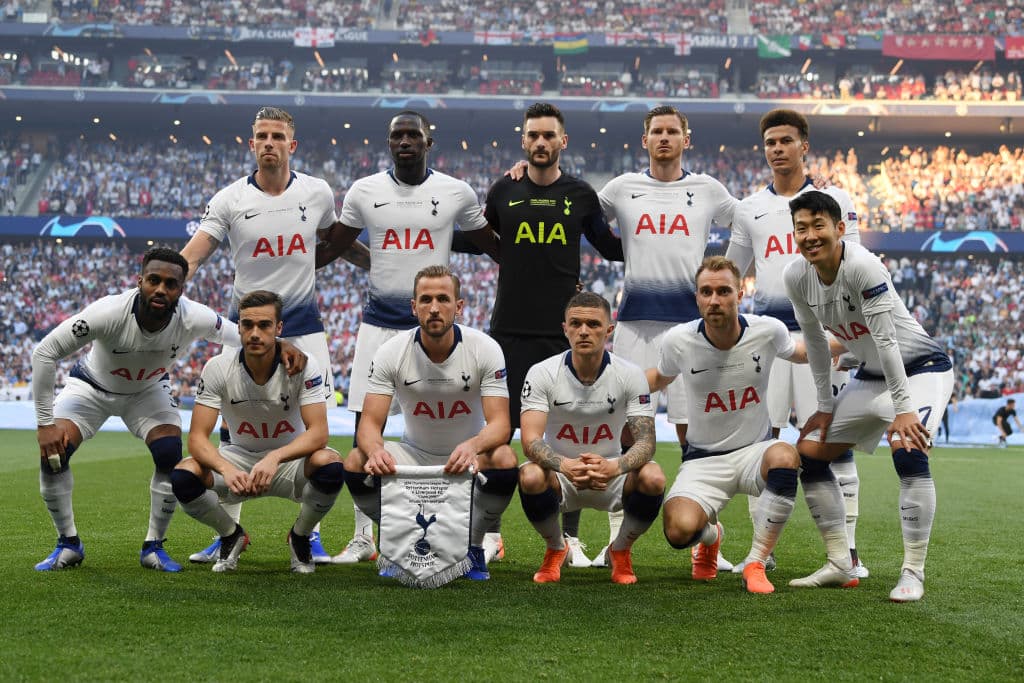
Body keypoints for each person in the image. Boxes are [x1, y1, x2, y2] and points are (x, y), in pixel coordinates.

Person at [180, 105, 365, 565]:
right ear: (251, 143)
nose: (268, 143)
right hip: (250, 327)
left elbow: (336, 244)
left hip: (303, 328)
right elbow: (195, 254)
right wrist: (160, 283)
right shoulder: (229, 200)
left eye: (277, 136)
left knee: (308, 432)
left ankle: (310, 533)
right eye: (261, 135)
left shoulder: (317, 192)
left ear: (291, 145)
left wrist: (386, 266)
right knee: (234, 425)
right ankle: (228, 529)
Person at [317, 110, 498, 564]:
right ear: (388, 142)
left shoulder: (455, 192)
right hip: (379, 326)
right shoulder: (364, 191)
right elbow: (337, 245)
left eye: (412, 135)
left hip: (435, 330)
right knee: (365, 432)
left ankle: (484, 533)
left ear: (427, 142)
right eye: (396, 135)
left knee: (474, 429)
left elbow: (494, 245)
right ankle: (365, 536)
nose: (404, 141)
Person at [31, 247, 265, 571]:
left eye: (170, 284)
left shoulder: (193, 316)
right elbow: (45, 352)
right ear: (139, 280)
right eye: (154, 280)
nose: (160, 289)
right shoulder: (108, 312)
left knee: (170, 452)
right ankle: (68, 544)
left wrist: (278, 355)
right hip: (91, 387)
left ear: (181, 290)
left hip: (148, 389)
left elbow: (241, 337)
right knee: (53, 456)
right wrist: (45, 424)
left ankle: (153, 546)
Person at [784, 191, 954, 602]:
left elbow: (887, 339)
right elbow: (818, 345)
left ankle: (913, 572)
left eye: (818, 225)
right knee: (809, 451)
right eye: (801, 228)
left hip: (923, 370)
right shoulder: (795, 276)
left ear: (840, 228)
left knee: (908, 449)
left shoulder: (862, 265)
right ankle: (841, 563)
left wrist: (904, 409)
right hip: (871, 375)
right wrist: (824, 408)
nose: (809, 236)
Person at [593, 104, 738, 570]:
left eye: (672, 131)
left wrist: (735, 277)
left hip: (690, 331)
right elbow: (574, 212)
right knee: (624, 433)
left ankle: (707, 532)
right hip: (634, 324)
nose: (664, 138)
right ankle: (619, 542)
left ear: (685, 139)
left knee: (694, 435)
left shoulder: (708, 190)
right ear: (645, 139)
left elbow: (751, 223)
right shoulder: (621, 189)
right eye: (656, 131)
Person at [725, 108, 867, 579]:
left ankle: (846, 553)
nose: (778, 149)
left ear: (804, 145)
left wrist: (847, 334)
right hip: (766, 339)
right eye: (770, 142)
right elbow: (730, 272)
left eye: (786, 140)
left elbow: (854, 264)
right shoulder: (749, 209)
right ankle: (760, 551)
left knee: (832, 441)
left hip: (823, 338)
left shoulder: (835, 200)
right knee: (758, 442)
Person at [484, 102, 624, 567]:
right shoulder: (503, 188)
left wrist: (665, 245)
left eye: (549, 136)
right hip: (508, 331)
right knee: (499, 436)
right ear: (523, 141)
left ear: (563, 142)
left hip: (560, 334)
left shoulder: (581, 194)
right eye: (533, 136)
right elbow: (476, 235)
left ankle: (571, 537)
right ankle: (489, 533)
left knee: (568, 432)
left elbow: (610, 247)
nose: (541, 142)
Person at [342, 265, 518, 581]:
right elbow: (369, 423)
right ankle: (398, 545)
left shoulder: (485, 348)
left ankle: (474, 545)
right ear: (414, 306)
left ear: (459, 306)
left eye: (443, 299)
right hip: (415, 457)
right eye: (425, 300)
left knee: (505, 457)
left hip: (466, 459)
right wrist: (376, 450)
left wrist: (474, 445)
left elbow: (502, 424)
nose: (434, 308)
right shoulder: (390, 351)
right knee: (357, 459)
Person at [649, 256, 805, 594]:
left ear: (739, 295)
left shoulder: (768, 330)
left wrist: (856, 345)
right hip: (703, 461)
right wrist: (607, 382)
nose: (715, 300)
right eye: (706, 292)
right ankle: (711, 536)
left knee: (785, 455)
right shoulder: (678, 340)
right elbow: (658, 378)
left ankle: (756, 561)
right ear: (697, 298)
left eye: (723, 291)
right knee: (678, 532)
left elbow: (804, 353)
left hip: (754, 452)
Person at [170, 290, 344, 573]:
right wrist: (226, 468)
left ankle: (300, 536)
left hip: (290, 462)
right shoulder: (217, 368)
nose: (254, 333)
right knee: (183, 475)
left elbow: (319, 434)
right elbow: (197, 438)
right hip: (239, 458)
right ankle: (231, 534)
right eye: (247, 325)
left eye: (264, 325)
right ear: (237, 327)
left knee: (331, 465)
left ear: (279, 328)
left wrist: (275, 457)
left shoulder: (303, 365)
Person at [518, 291, 664, 585]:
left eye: (594, 325)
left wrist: (615, 467)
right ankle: (556, 548)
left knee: (654, 477)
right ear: (565, 329)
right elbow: (530, 440)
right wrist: (566, 465)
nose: (584, 331)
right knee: (530, 476)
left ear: (609, 330)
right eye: (576, 323)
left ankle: (620, 549)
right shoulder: (542, 372)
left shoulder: (630, 374)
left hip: (610, 474)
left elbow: (646, 443)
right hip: (561, 475)